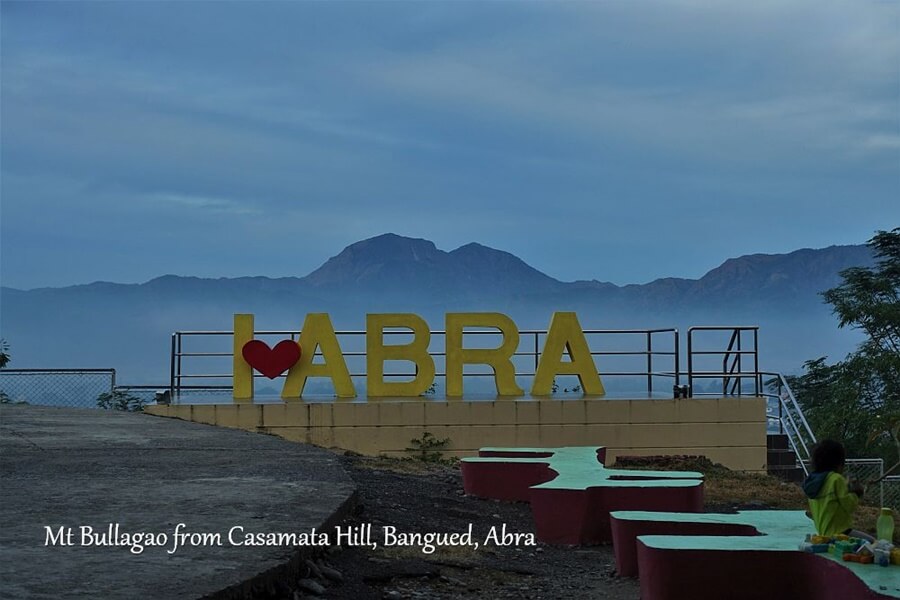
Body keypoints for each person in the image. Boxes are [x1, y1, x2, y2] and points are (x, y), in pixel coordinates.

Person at [802, 439, 874, 541]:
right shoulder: (836, 479)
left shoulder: (813, 481)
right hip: (841, 533)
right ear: (839, 463)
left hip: (823, 535)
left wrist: (847, 488)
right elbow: (850, 506)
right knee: (873, 542)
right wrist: (856, 493)